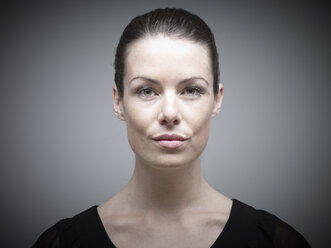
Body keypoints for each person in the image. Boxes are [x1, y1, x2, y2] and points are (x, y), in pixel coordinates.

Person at [32, 8, 311, 248]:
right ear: (118, 101)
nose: (169, 114)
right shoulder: (64, 242)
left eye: (191, 90)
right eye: (146, 91)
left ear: (217, 99)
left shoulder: (272, 241)